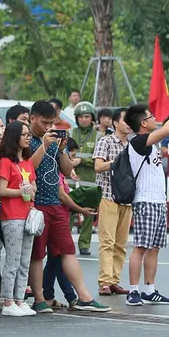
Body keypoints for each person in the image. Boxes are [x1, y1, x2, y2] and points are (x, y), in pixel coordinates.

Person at [26, 100, 109, 313]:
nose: (48, 127)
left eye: (52, 123)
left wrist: (61, 150)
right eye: (45, 123)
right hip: (36, 206)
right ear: (32, 118)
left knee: (67, 251)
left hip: (56, 203)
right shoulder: (26, 141)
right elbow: (29, 168)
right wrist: (44, 145)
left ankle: (84, 297)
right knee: (37, 254)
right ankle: (39, 298)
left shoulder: (53, 141)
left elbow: (65, 169)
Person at [124, 101, 169, 307]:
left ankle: (149, 289)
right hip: (145, 200)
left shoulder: (151, 142)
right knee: (140, 247)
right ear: (143, 123)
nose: (154, 119)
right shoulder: (139, 141)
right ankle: (133, 291)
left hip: (158, 201)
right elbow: (167, 130)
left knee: (154, 247)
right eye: (151, 117)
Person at [0, 121, 37, 317]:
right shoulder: (5, 161)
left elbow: (34, 187)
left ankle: (20, 299)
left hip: (28, 214)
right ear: (14, 138)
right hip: (12, 215)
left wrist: (30, 189)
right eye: (24, 134)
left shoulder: (27, 161)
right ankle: (8, 300)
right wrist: (21, 191)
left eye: (29, 134)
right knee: (12, 259)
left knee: (25, 260)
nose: (28, 137)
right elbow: (2, 190)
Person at [91, 108, 131, 296]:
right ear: (115, 123)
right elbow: (98, 166)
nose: (129, 123)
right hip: (108, 195)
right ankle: (105, 281)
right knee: (107, 241)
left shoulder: (132, 145)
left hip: (127, 198)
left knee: (121, 242)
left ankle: (115, 280)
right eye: (125, 120)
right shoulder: (105, 141)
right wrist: (118, 161)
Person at [69, 101, 100, 255]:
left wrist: (83, 160)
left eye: (87, 116)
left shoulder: (98, 136)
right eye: (80, 117)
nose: (84, 119)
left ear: (92, 118)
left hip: (90, 180)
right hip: (72, 180)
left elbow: (99, 158)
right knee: (69, 211)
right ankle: (65, 242)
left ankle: (84, 244)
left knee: (88, 213)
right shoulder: (71, 133)